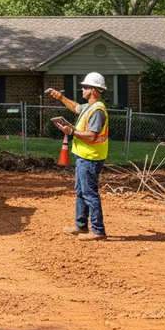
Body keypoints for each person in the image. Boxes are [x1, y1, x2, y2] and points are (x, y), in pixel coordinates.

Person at [45, 72, 109, 241]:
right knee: (81, 192)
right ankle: (81, 226)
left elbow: (92, 135)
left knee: (89, 194)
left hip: (91, 158)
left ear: (94, 90)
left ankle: (98, 231)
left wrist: (72, 131)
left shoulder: (97, 110)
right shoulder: (89, 106)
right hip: (83, 156)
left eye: (86, 87)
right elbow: (76, 108)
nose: (83, 89)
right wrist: (60, 97)